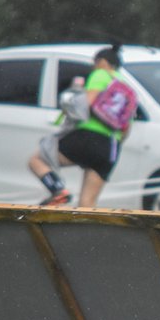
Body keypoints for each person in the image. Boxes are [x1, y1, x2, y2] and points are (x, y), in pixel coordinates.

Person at [26, 45, 132, 208]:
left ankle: (58, 190)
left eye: (95, 63)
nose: (93, 67)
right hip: (111, 147)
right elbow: (126, 128)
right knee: (87, 203)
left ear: (102, 62)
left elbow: (86, 104)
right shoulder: (126, 87)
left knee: (36, 160)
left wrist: (69, 105)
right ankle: (88, 226)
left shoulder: (100, 75)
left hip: (88, 137)